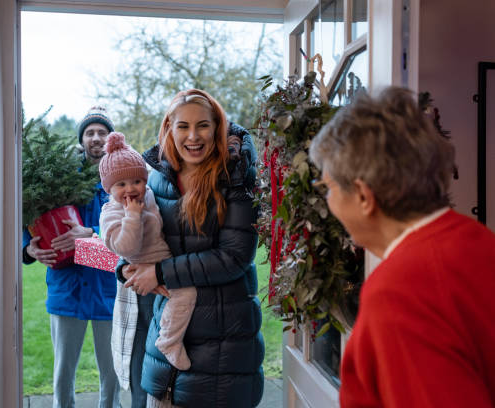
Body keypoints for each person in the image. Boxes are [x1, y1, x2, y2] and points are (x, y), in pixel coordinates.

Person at [308, 87, 495, 407]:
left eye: (328, 187)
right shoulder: (478, 240)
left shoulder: (400, 293)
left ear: (364, 196)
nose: (328, 201)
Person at [120, 89, 264, 408]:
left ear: (217, 127)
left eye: (203, 125)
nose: (193, 136)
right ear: (170, 127)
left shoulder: (237, 177)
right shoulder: (156, 178)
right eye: (183, 126)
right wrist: (126, 266)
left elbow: (233, 257)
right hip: (166, 344)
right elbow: (137, 232)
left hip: (224, 350)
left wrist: (158, 271)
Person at [23, 107, 121, 408]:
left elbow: (128, 237)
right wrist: (28, 248)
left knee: (113, 369)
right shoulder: (59, 179)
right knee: (63, 368)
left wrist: (89, 233)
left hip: (109, 290)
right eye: (89, 133)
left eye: (101, 133)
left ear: (110, 138)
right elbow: (31, 215)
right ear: (82, 139)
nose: (95, 138)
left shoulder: (121, 178)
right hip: (67, 288)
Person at [98, 131, 197, 405]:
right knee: (140, 351)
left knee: (183, 296)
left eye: (137, 181)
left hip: (163, 266)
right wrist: (132, 217)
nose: (131, 189)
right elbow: (125, 248)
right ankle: (169, 341)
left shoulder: (150, 194)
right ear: (108, 188)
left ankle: (169, 338)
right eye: (121, 184)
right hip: (142, 273)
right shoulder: (114, 212)